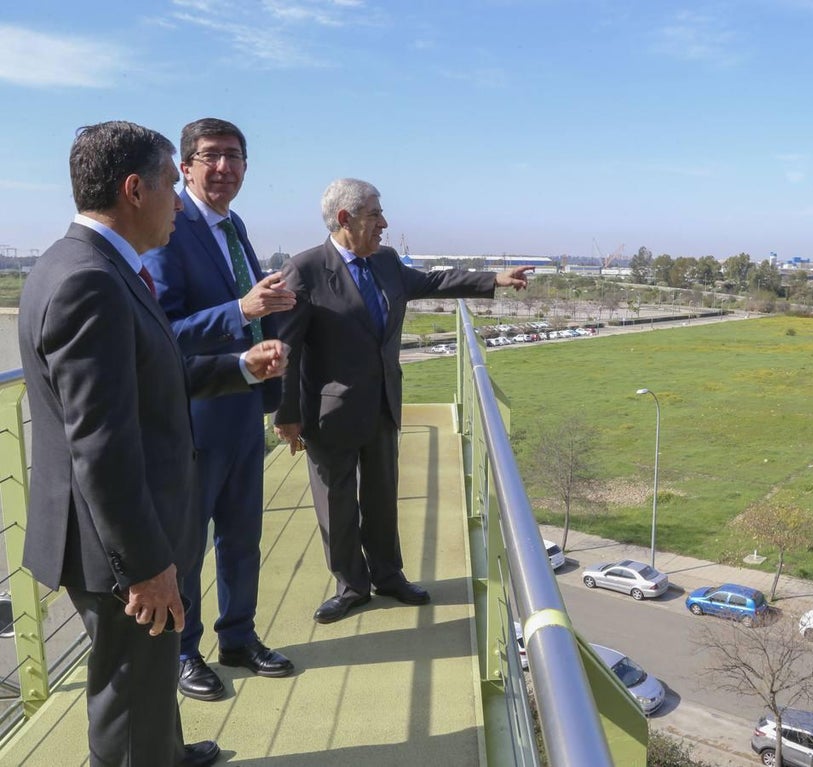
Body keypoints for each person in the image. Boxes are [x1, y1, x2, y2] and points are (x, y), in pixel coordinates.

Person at [18, 122, 287, 766]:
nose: (179, 197)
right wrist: (144, 565)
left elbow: (146, 377)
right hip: (116, 542)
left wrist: (241, 369)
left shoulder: (86, 262)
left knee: (146, 672)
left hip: (118, 527)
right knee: (127, 689)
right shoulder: (93, 282)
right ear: (135, 189)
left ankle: (166, 751)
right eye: (173, 181)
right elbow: (101, 443)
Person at [273, 178, 531, 624]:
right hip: (329, 413)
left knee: (381, 495)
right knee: (336, 504)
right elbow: (287, 349)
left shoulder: (387, 261)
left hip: (383, 404)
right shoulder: (306, 269)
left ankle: (388, 576)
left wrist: (494, 279)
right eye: (375, 215)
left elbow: (434, 280)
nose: (384, 223)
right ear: (344, 219)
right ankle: (351, 586)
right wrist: (287, 416)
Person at [143, 118, 296, 702]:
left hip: (243, 410)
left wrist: (269, 326)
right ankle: (183, 653)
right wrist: (241, 307)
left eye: (235, 156)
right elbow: (165, 333)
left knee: (241, 536)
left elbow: (250, 311)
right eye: (211, 157)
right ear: (184, 167)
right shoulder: (169, 229)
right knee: (186, 546)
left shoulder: (235, 227)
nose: (224, 168)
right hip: (194, 414)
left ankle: (238, 637)